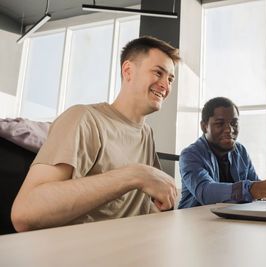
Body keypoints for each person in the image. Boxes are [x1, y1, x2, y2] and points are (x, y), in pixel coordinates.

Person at [11, 36, 181, 231]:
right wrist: (134, 175)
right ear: (128, 71)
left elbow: (125, 207)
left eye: (170, 79)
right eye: (158, 73)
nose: (166, 86)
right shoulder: (83, 118)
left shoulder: (146, 134)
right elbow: (25, 214)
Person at [178, 97, 266, 209]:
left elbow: (256, 186)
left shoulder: (240, 151)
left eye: (234, 123)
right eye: (220, 123)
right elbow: (206, 192)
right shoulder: (190, 155)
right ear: (204, 127)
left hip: (230, 223)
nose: (229, 129)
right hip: (195, 223)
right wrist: (261, 189)